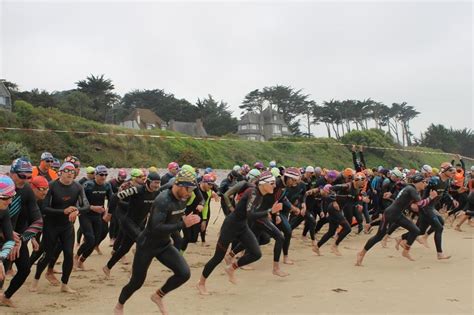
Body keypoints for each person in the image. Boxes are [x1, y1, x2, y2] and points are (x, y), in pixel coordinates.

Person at [114, 170, 201, 315]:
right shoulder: (162, 200)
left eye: (192, 189)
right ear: (178, 184)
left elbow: (175, 216)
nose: (190, 193)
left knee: (184, 273)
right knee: (136, 282)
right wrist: (182, 225)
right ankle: (119, 305)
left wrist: (185, 220)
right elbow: (156, 227)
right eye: (188, 189)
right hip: (147, 245)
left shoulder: (184, 197)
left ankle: (158, 296)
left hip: (164, 244)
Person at [197, 171, 281, 295]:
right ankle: (201, 283)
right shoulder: (254, 193)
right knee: (217, 257)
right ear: (263, 184)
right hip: (230, 227)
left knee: (256, 253)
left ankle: (231, 268)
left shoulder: (260, 192)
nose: (274, 186)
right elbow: (250, 215)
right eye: (272, 183)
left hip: (242, 226)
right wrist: (270, 211)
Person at [31, 162, 89, 293]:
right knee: (48, 254)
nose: (70, 173)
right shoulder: (52, 186)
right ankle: (36, 279)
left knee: (69, 254)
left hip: (67, 226)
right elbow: (44, 208)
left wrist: (77, 211)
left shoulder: (78, 187)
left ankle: (64, 284)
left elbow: (86, 205)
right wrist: (64, 211)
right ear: (60, 172)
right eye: (67, 170)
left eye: (73, 171)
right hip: (51, 225)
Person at [356, 173, 435, 266]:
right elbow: (421, 204)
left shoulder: (412, 189)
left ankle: (405, 251)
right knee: (379, 236)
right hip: (390, 213)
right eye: (425, 182)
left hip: (398, 214)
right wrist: (431, 197)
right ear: (418, 182)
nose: (426, 184)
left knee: (415, 230)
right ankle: (361, 253)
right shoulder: (411, 189)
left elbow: (401, 190)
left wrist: (391, 193)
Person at [1, 158, 43, 308]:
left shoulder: (26, 191)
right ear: (12, 173)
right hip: (5, 234)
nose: (25, 180)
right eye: (21, 176)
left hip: (15, 235)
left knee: (25, 269)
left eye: (28, 176)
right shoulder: (2, 185)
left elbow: (38, 221)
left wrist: (22, 239)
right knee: (2, 270)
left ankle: (6, 296)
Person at [103, 172, 161, 277]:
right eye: (154, 183)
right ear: (147, 181)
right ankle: (134, 271)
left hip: (140, 223)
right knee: (142, 242)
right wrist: (110, 213)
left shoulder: (156, 193)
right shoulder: (137, 190)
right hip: (128, 221)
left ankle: (107, 267)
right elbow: (115, 197)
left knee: (125, 248)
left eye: (158, 183)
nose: (157, 185)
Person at [74, 165, 113, 270]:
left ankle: (81, 261)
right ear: (95, 175)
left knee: (95, 241)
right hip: (85, 215)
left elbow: (112, 200)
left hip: (98, 216)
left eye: (105, 175)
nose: (103, 177)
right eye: (101, 174)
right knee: (90, 239)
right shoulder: (88, 185)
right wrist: (92, 207)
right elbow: (79, 201)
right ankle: (76, 257)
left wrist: (108, 213)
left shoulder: (107, 186)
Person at [0, 176, 16, 289]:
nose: (10, 201)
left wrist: (1, 259)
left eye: (12, 196)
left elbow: (10, 239)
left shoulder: (4, 210)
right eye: (6, 198)